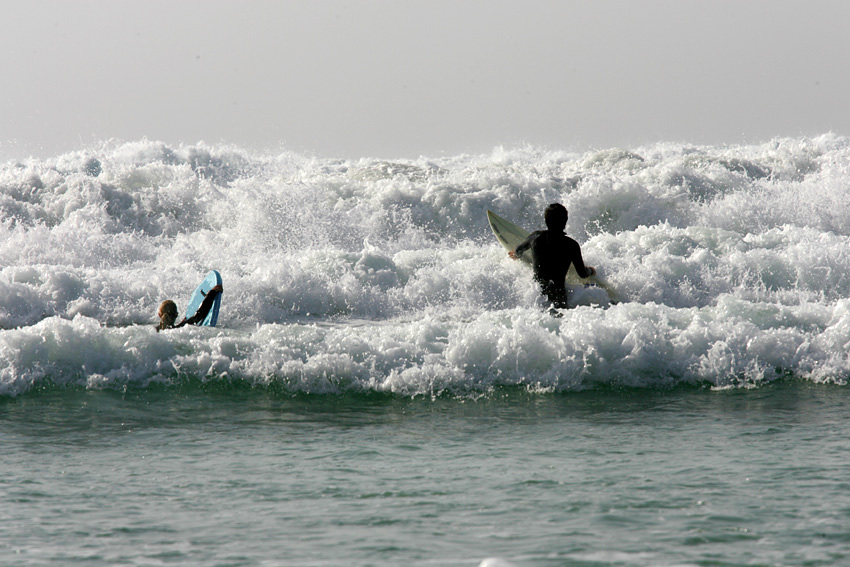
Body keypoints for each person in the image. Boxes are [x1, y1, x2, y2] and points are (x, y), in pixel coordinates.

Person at [508, 203, 595, 309]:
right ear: (565, 222)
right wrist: (590, 271)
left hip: (537, 296)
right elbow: (582, 274)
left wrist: (515, 254)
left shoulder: (535, 238)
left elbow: (518, 250)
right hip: (559, 298)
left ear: (546, 221)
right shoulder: (571, 245)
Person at [155, 284, 223, 331]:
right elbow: (200, 314)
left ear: (159, 315)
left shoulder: (153, 331)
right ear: (176, 315)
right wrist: (212, 293)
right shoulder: (181, 328)